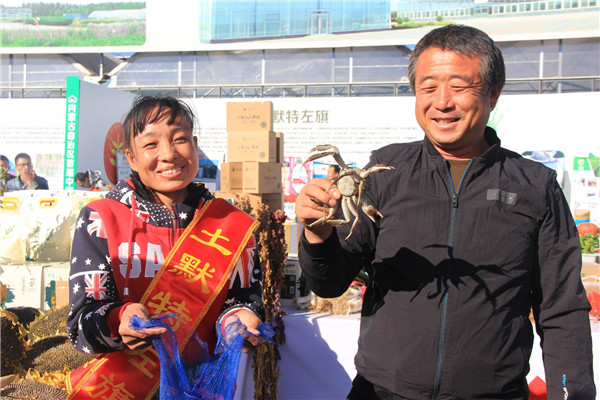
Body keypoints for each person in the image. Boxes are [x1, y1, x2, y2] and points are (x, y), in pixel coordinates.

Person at [295, 24, 595, 400]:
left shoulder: (534, 186)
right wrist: (317, 232)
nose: (442, 101)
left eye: (458, 86)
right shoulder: (386, 173)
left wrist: (572, 393)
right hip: (382, 392)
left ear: (493, 94)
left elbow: (562, 308)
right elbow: (330, 283)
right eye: (428, 86)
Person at [67, 95, 266, 399]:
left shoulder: (230, 224)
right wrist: (117, 320)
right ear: (131, 158)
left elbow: (243, 299)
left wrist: (238, 320)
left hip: (204, 386)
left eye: (180, 139)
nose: (169, 154)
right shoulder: (101, 220)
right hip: (125, 387)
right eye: (151, 145)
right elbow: (80, 326)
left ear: (195, 145)